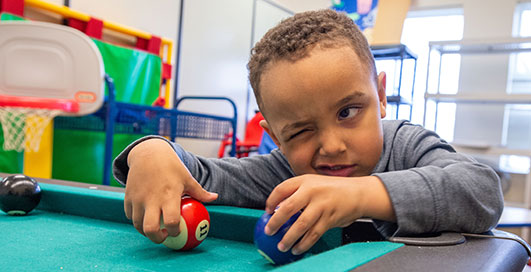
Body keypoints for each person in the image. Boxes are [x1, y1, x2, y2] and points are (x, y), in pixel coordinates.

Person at [113, 9, 503, 256]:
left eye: (348, 111)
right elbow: (205, 179)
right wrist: (149, 152)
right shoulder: (281, 172)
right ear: (276, 137)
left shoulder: (407, 145)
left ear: (381, 96)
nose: (331, 146)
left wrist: (359, 195)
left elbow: (481, 191)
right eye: (300, 131)